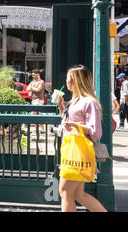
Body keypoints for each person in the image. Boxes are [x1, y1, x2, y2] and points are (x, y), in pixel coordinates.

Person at [55, 64, 106, 212]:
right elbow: (67, 124)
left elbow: (96, 132)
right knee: (78, 194)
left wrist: (76, 126)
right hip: (72, 150)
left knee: (65, 191)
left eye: (68, 78)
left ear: (76, 80)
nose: (66, 81)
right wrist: (61, 107)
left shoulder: (89, 102)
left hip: (79, 152)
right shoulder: (74, 101)